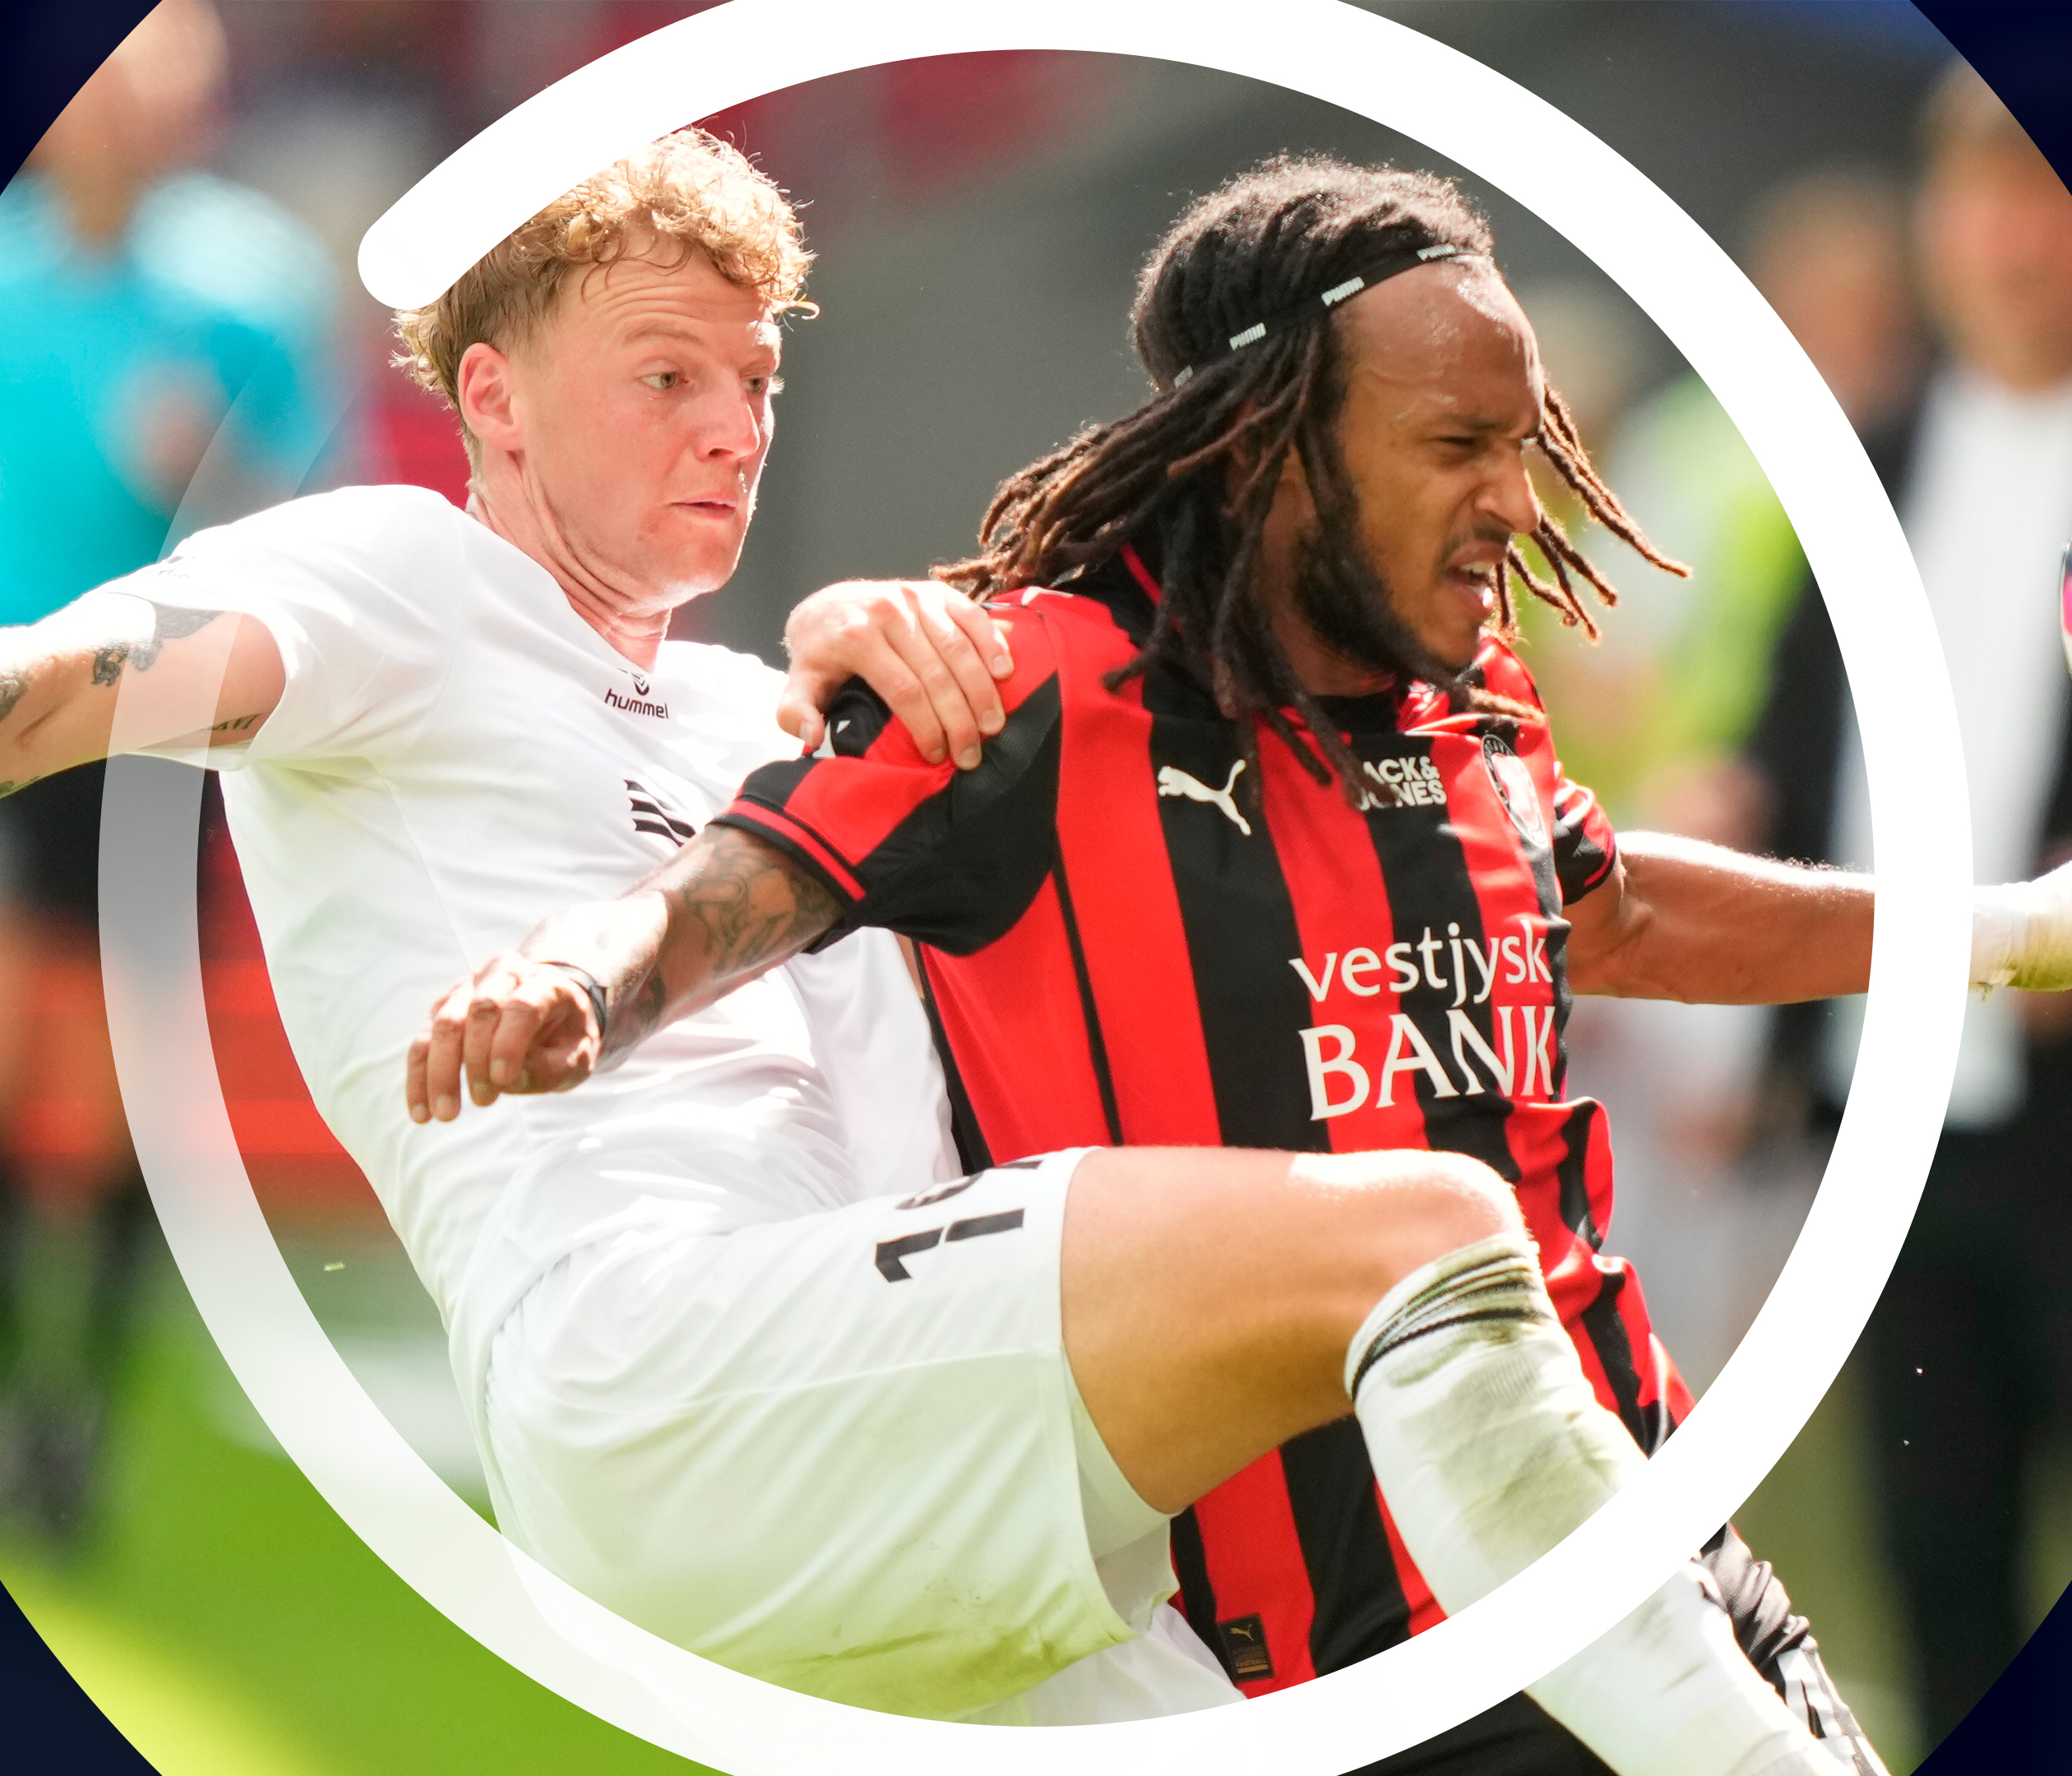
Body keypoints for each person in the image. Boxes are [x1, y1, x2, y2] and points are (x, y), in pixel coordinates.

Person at [0, 122, 1841, 1759]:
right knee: (1424, 1236)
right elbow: (60, 681)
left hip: (902, 1420)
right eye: (664, 375)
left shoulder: (766, 709)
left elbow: (1585, 904)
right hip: (659, 1367)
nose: (731, 425)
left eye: (754, 377)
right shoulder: (395, 576)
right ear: (493, 400)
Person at [420, 154, 2072, 1771]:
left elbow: (1614, 908)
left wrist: (2016, 934)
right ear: (1271, 447)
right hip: (1359, 1682)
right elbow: (729, 890)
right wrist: (579, 984)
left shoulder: (1467, 691)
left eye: (1521, 443)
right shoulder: (1014, 697)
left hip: (1649, 1535)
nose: (1517, 500)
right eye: (1458, 446)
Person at [1742, 63, 2072, 1745]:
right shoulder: (1865, 463)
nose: (2012, 241)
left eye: (2043, 201)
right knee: (1935, 1569)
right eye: (1982, 198)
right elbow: (1794, 730)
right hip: (1892, 1117)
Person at [0, 0, 340, 1536]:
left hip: (137, 728)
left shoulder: (249, 285)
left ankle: (75, 1406)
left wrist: (216, 473)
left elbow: (313, 518)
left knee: (115, 1085)